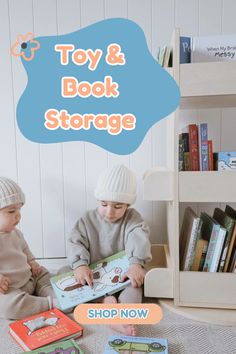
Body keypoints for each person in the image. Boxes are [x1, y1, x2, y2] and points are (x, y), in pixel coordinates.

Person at [68, 164, 152, 336]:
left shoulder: (133, 219)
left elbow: (139, 238)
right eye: (104, 204)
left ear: (128, 204)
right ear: (98, 199)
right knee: (71, 283)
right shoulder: (86, 219)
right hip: (94, 277)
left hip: (123, 276)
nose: (109, 211)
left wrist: (136, 264)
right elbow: (76, 242)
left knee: (135, 288)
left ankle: (123, 316)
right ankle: (106, 303)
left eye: (118, 206)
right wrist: (80, 265)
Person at [0, 177, 55, 320]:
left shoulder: (15, 232)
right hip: (9, 288)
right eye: (11, 211)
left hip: (30, 277)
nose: (18, 216)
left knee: (44, 274)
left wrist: (32, 262)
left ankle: (53, 293)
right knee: (7, 306)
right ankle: (48, 304)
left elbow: (24, 249)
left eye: (19, 209)